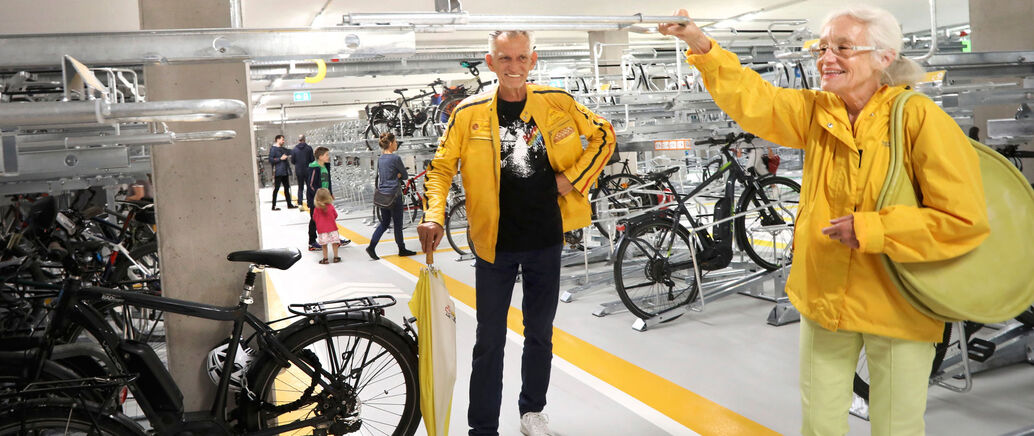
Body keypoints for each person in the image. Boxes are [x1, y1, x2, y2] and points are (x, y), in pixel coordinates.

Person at [659, 7, 988, 436]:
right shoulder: (818, 112)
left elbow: (962, 219)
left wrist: (872, 230)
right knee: (820, 424)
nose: (826, 57)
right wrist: (702, 47)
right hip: (824, 296)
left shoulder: (918, 119)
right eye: (823, 47)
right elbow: (754, 99)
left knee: (896, 426)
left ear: (884, 58)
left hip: (898, 300)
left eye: (843, 47)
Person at [417, 30, 615, 436]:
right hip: (494, 244)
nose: (513, 66)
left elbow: (604, 136)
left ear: (533, 60)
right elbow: (440, 168)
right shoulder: (467, 114)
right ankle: (483, 426)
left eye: (521, 57)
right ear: (490, 63)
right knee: (488, 339)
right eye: (504, 58)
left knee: (539, 334)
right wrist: (435, 215)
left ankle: (532, 412)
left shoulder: (556, 103)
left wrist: (571, 179)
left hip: (545, 238)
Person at [366, 132, 417, 260]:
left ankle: (371, 246)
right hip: (395, 194)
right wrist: (398, 175)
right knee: (398, 224)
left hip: (384, 195)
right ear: (390, 144)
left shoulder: (381, 158)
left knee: (384, 222)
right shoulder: (395, 158)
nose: (396, 144)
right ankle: (402, 249)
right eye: (395, 142)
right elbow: (405, 175)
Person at [307, 146, 351, 251]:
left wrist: (330, 193)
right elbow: (311, 185)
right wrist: (319, 196)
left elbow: (327, 181)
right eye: (327, 155)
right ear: (320, 157)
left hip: (326, 197)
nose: (328, 157)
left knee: (330, 217)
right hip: (317, 198)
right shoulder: (314, 167)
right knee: (314, 219)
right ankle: (312, 242)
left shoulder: (325, 166)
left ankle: (335, 239)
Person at [312, 188, 342, 264]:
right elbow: (335, 215)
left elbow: (314, 218)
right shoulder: (331, 206)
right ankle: (336, 257)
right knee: (334, 243)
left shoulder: (316, 209)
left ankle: (325, 259)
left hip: (322, 230)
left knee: (324, 245)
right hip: (332, 228)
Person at [268, 134, 295, 211]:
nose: (283, 141)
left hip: (284, 172)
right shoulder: (273, 149)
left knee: (287, 188)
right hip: (278, 172)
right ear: (277, 140)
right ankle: (273, 206)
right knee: (276, 189)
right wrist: (280, 158)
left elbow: (290, 151)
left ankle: (289, 204)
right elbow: (271, 159)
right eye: (282, 139)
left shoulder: (283, 149)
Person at [291, 134, 314, 211]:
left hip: (299, 171)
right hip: (307, 170)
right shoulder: (309, 148)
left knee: (300, 187)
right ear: (305, 139)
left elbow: (292, 161)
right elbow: (312, 160)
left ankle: (300, 203)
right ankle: (309, 203)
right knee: (309, 186)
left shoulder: (294, 149)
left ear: (299, 140)